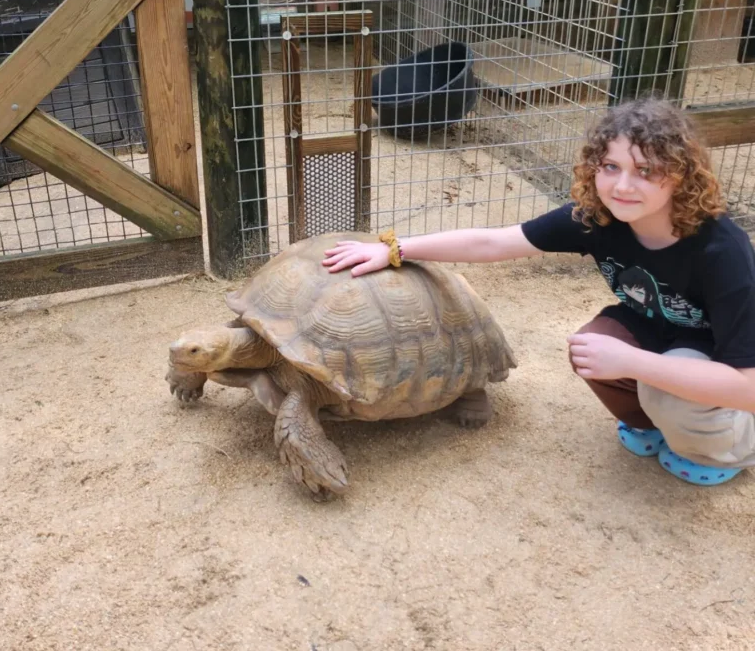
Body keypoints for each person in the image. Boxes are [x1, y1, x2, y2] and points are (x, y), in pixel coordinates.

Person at [323, 97, 755, 487]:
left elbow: (746, 386)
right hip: (660, 328)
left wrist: (632, 361)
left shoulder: (721, 250)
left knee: (665, 387)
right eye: (611, 167)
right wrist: (394, 249)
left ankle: (731, 447)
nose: (623, 186)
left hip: (720, 355)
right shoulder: (596, 218)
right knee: (594, 348)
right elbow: (494, 243)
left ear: (680, 176)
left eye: (646, 171)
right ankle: (654, 422)